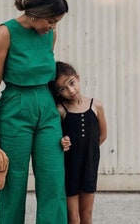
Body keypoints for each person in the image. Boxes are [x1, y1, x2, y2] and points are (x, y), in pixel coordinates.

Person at [0, 0, 69, 224]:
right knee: (13, 182)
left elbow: (48, 73)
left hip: (47, 109)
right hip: (15, 108)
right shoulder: (6, 32)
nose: (53, 27)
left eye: (57, 22)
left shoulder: (49, 34)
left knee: (53, 179)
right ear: (36, 13)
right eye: (51, 21)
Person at [51, 61, 107, 224]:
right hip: (70, 168)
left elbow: (102, 135)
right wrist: (63, 141)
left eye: (72, 83)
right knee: (73, 216)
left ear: (77, 78)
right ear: (58, 92)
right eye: (63, 89)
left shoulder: (96, 105)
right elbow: (56, 138)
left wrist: (88, 151)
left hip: (89, 165)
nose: (71, 90)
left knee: (87, 214)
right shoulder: (60, 110)